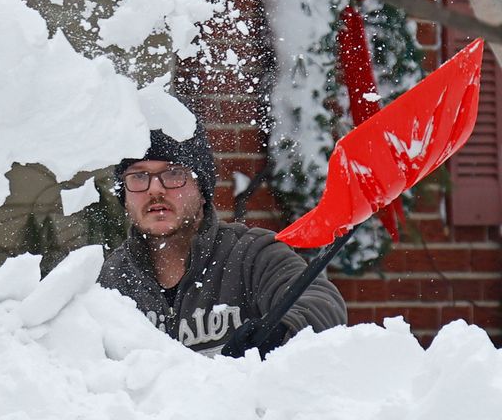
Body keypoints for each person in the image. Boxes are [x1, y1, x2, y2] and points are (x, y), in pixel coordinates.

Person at [98, 126, 347, 359]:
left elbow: (322, 302)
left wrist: (281, 330)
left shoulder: (252, 254)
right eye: (139, 177)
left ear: (202, 190)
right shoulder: (110, 280)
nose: (154, 189)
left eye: (174, 174)